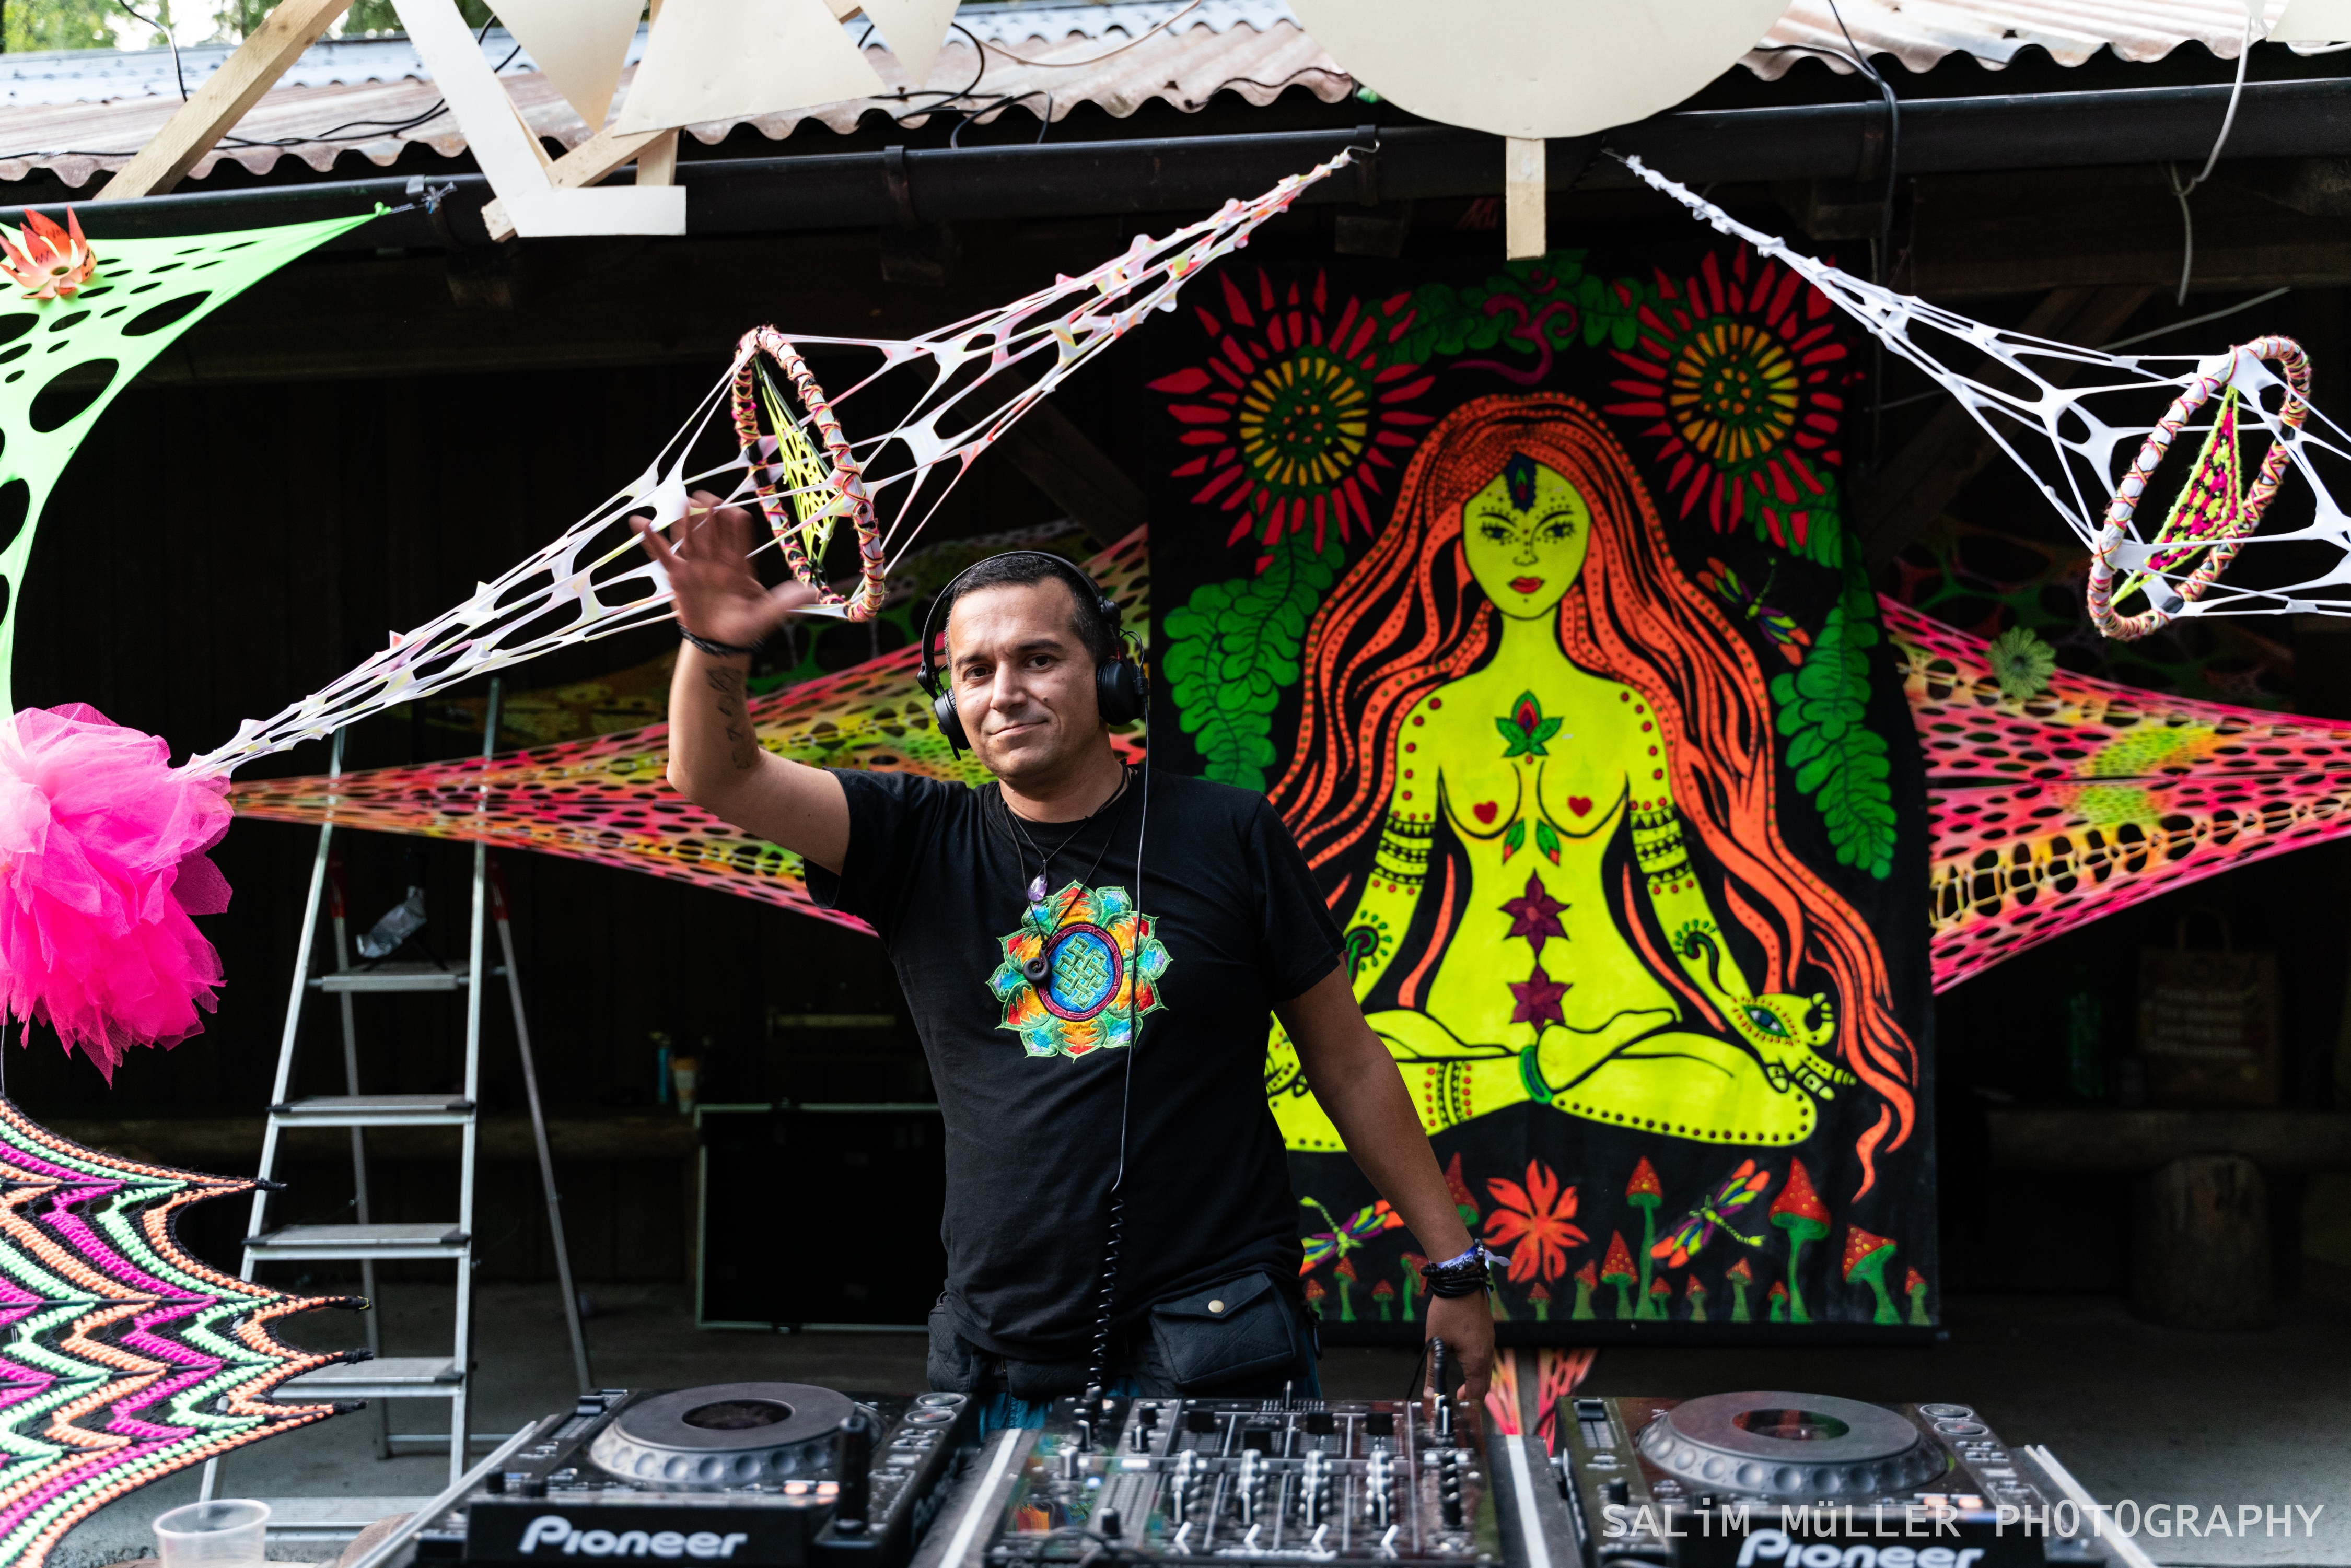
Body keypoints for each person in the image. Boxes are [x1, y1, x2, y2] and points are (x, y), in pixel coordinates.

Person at [635, 497, 1496, 1413]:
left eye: (1038, 658)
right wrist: (714, 648)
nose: (1005, 691)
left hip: (1221, 1342)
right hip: (997, 1357)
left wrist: (1455, 1265)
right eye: (975, 671)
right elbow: (715, 775)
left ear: (1111, 674)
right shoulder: (913, 839)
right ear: (950, 702)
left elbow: (1349, 1060)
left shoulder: (1231, 832)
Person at [1260, 394, 1917, 1190]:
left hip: (1620, 1027)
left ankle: (1515, 1079)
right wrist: (1303, 1039)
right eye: (1497, 530)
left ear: (1597, 537)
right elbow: (1381, 919)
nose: (1525, 553)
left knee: (1775, 1103)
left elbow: (1680, 907)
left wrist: (1752, 1020)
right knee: (1306, 1100)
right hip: (1457, 1032)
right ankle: (1521, 1077)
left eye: (1554, 528)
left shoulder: (1632, 713)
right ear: (1457, 540)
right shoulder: (1427, 719)